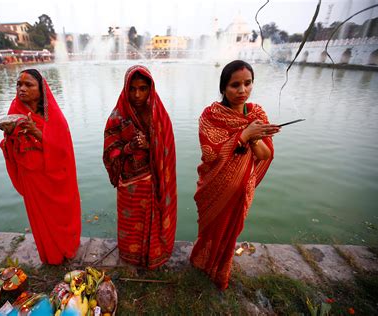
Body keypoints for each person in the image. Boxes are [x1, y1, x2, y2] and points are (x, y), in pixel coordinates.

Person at [190, 60, 280, 289]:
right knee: (210, 229)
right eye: (235, 85)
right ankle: (202, 263)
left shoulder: (257, 114)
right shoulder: (211, 116)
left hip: (241, 188)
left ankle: (220, 270)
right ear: (223, 88)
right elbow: (210, 154)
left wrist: (254, 135)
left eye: (248, 83)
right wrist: (244, 134)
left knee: (230, 233)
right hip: (214, 186)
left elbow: (265, 155)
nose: (242, 90)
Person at [0, 69, 81, 265]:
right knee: (42, 220)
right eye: (19, 84)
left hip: (55, 176)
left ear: (41, 89)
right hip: (32, 177)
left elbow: (63, 150)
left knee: (62, 215)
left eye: (29, 85)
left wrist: (37, 132)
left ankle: (67, 249)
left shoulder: (53, 115)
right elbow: (11, 147)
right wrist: (9, 135)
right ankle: (51, 256)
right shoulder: (14, 111)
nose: (22, 89)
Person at [103, 65, 177, 269]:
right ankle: (130, 257)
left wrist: (150, 145)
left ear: (150, 88)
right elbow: (110, 153)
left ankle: (154, 256)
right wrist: (129, 147)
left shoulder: (159, 115)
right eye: (132, 88)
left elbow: (167, 148)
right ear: (125, 88)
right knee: (131, 228)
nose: (137, 94)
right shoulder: (117, 116)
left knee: (154, 223)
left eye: (143, 88)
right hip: (129, 185)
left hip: (153, 181)